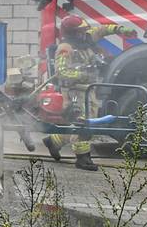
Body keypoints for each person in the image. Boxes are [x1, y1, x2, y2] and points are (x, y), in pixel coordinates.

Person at [43, 14, 137, 171]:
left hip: (89, 90)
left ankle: (53, 141)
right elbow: (62, 72)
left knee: (84, 122)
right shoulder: (65, 48)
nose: (84, 34)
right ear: (72, 33)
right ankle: (83, 158)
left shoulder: (85, 38)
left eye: (84, 31)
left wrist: (120, 29)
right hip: (75, 92)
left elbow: (101, 30)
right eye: (80, 32)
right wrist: (83, 75)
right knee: (83, 124)